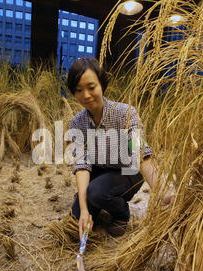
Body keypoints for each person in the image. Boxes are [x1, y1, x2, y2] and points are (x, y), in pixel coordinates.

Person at [67, 57, 174, 240]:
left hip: (128, 171)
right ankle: (96, 200)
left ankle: (121, 214)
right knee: (76, 220)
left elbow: (142, 154)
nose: (85, 95)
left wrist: (160, 190)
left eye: (91, 87)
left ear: (102, 84)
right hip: (99, 171)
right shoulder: (77, 122)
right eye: (78, 90)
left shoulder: (125, 113)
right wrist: (84, 210)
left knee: (96, 193)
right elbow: (82, 165)